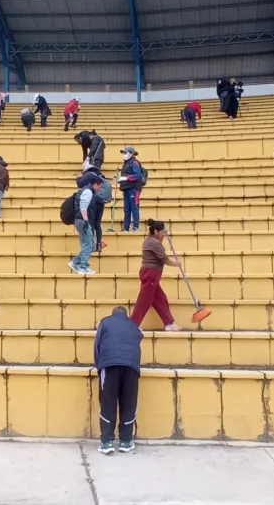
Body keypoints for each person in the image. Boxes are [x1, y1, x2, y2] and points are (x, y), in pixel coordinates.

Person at [94, 305, 143, 455]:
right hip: (131, 367)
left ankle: (107, 442)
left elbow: (97, 346)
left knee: (108, 402)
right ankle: (126, 441)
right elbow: (137, 346)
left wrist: (100, 367)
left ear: (113, 313)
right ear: (126, 315)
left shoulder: (105, 323)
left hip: (109, 366)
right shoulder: (134, 325)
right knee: (129, 402)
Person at [130, 219, 182, 331]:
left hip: (151, 273)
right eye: (162, 232)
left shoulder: (150, 240)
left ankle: (169, 323)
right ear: (156, 232)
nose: (164, 234)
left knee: (160, 298)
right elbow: (164, 259)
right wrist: (175, 264)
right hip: (151, 273)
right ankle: (133, 325)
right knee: (144, 299)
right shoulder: (154, 243)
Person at [69, 176, 104, 275]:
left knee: (91, 244)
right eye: (99, 187)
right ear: (95, 184)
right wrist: (85, 221)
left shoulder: (87, 191)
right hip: (82, 220)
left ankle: (75, 262)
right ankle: (83, 267)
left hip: (81, 220)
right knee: (88, 245)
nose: (99, 189)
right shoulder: (88, 192)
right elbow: (83, 206)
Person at [77, 165, 111, 253]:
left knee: (91, 223)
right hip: (101, 203)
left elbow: (79, 184)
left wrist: (79, 177)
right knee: (98, 224)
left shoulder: (89, 175)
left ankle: (92, 244)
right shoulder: (101, 176)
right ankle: (99, 244)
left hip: (93, 202)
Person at [118, 146, 145, 232]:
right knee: (127, 209)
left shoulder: (135, 162)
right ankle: (126, 227)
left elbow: (137, 175)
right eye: (124, 153)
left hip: (133, 188)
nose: (124, 155)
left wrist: (126, 178)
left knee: (134, 207)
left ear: (131, 153)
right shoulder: (126, 163)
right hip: (126, 188)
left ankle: (135, 227)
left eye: (126, 153)